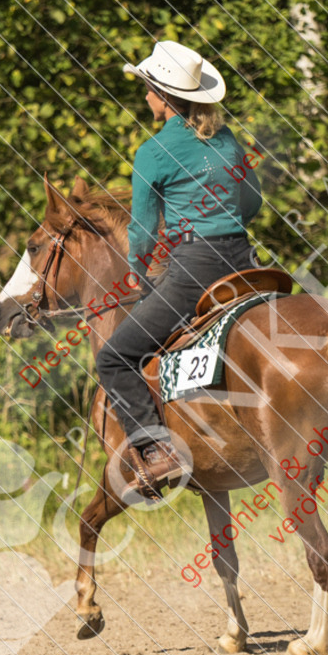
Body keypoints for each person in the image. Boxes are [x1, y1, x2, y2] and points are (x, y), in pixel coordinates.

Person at [96, 39, 262, 498]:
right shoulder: (226, 139)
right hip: (246, 262)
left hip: (194, 269)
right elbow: (253, 202)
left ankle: (157, 451)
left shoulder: (153, 152)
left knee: (113, 357)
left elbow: (145, 232)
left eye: (147, 87)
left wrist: (136, 269)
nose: (144, 95)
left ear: (163, 96)